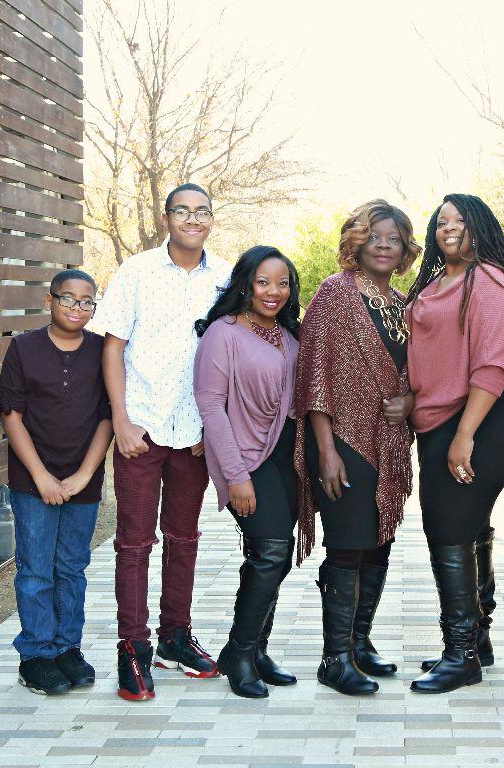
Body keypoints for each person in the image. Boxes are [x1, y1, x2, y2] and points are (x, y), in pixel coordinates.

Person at [94, 183, 231, 701]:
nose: (192, 219)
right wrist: (122, 421)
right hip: (143, 428)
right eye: (183, 211)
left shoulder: (225, 277)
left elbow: (230, 352)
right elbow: (113, 347)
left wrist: (212, 427)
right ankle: (133, 648)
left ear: (211, 219)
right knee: (133, 543)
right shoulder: (136, 272)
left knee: (184, 537)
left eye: (202, 211)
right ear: (166, 217)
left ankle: (176, 635)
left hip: (195, 433)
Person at [405, 193, 504, 694]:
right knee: (467, 522)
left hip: (486, 414)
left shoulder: (491, 281)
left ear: (481, 227)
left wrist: (465, 436)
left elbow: (493, 364)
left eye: (461, 220)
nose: (450, 228)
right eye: (442, 221)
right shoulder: (437, 283)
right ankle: (476, 639)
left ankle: (460, 654)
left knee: (447, 527)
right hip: (438, 418)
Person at [294, 200, 420, 696]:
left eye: (394, 238)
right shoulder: (334, 294)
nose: (384, 245)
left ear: (405, 247)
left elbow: (418, 372)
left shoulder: (404, 303)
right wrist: (324, 449)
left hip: (388, 443)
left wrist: (410, 400)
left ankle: (359, 641)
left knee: (379, 541)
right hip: (343, 440)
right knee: (347, 546)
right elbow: (315, 376)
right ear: (357, 242)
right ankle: (334, 658)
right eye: (375, 237)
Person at [0, 269, 113, 695]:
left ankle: (67, 648)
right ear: (49, 301)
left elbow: (108, 415)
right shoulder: (24, 348)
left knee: (71, 568)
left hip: (84, 478)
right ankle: (36, 655)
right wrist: (42, 476)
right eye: (68, 299)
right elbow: (11, 414)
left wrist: (83, 475)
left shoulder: (102, 350)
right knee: (35, 569)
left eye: (86, 301)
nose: (77, 308)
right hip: (33, 481)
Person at [194, 245, 302, 699]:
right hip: (244, 458)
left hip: (284, 459)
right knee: (272, 550)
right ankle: (238, 652)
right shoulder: (224, 333)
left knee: (273, 550)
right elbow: (210, 407)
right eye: (263, 282)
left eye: (282, 282)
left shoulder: (288, 333)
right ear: (245, 284)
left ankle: (255, 649)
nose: (273, 291)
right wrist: (236, 477)